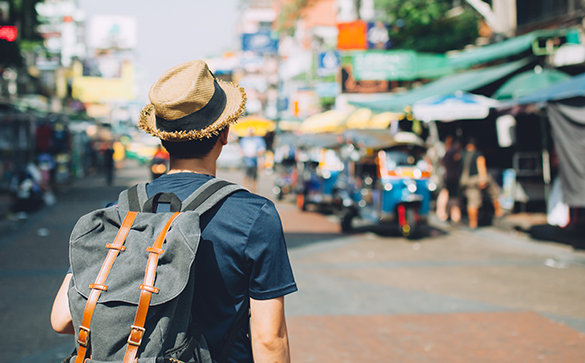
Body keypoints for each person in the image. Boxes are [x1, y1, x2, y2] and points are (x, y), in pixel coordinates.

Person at [50, 60, 297, 363]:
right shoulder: (255, 216)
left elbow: (62, 318)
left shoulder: (118, 213)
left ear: (162, 137)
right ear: (224, 133)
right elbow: (269, 339)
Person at [459, 137, 504, 229]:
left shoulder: (462, 154)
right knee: (494, 192)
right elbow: (481, 166)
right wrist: (483, 179)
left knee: (472, 201)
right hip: (476, 179)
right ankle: (498, 211)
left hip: (466, 181)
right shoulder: (478, 154)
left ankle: (473, 223)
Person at [436, 135, 462, 223]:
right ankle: (452, 215)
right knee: (452, 196)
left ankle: (446, 213)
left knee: (448, 195)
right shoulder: (452, 152)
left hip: (447, 177)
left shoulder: (447, 152)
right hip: (452, 178)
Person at [240, 127, 266, 193]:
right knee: (246, 177)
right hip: (246, 160)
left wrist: (256, 153)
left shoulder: (258, 139)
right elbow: (241, 150)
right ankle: (245, 191)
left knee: (254, 178)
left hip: (255, 161)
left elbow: (262, 149)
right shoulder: (244, 139)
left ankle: (254, 192)